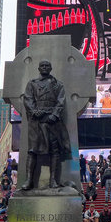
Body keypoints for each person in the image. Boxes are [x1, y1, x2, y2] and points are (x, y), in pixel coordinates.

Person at [22, 60, 71, 189]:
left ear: (51, 68)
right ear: (38, 68)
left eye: (47, 66)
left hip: (51, 121)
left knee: (54, 151)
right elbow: (27, 99)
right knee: (32, 151)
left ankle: (53, 180)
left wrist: (54, 115)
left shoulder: (57, 84)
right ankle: (28, 181)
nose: (44, 67)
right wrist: (33, 111)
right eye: (42, 65)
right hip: (36, 122)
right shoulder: (32, 84)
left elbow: (61, 101)